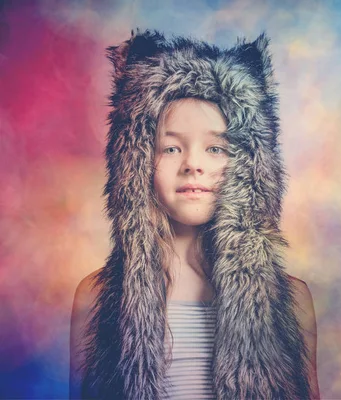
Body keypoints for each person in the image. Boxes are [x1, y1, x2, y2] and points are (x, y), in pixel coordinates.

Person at [69, 29, 320, 399]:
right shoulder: (96, 296)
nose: (193, 165)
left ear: (249, 165)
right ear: (137, 163)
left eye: (216, 148)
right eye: (171, 148)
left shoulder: (291, 300)